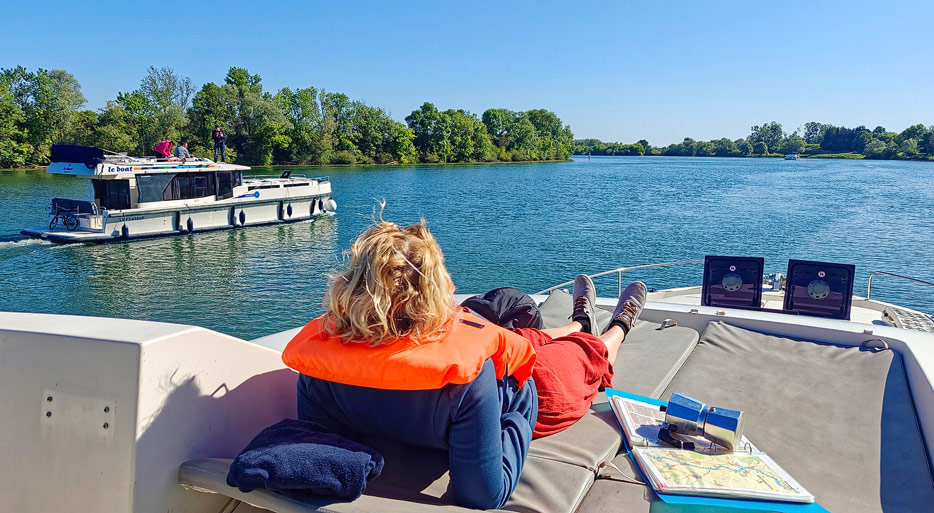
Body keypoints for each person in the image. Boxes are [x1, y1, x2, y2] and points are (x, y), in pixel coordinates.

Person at [281, 214, 647, 510]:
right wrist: (519, 411)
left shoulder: (320, 366)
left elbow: (328, 449)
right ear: (434, 291)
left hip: (476, 365)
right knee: (590, 353)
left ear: (354, 286)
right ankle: (617, 327)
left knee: (519, 341)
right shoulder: (468, 378)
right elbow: (483, 494)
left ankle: (578, 321)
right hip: (531, 386)